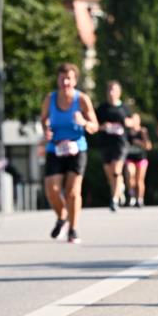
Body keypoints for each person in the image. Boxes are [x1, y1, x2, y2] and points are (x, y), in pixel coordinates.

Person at [40, 62, 98, 243]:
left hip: (77, 148)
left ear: (75, 80)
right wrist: (46, 130)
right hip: (55, 147)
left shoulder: (81, 100)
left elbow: (95, 126)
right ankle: (62, 216)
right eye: (62, 78)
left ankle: (73, 229)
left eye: (69, 78)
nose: (66, 82)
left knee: (72, 192)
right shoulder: (50, 99)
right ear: (58, 79)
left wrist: (84, 123)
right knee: (52, 190)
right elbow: (43, 119)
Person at [96, 80, 133, 211]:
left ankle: (114, 200)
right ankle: (119, 189)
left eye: (114, 90)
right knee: (110, 174)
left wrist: (125, 123)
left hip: (120, 143)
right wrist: (103, 126)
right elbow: (95, 126)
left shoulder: (124, 108)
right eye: (109, 90)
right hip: (106, 143)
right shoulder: (101, 108)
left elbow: (132, 122)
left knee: (117, 171)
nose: (111, 93)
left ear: (119, 92)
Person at [124, 112, 152, 207]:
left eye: (136, 119)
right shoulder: (127, 132)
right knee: (130, 175)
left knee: (139, 180)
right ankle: (131, 195)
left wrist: (139, 142)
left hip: (141, 159)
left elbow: (148, 146)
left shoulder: (142, 131)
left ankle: (139, 199)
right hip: (130, 158)